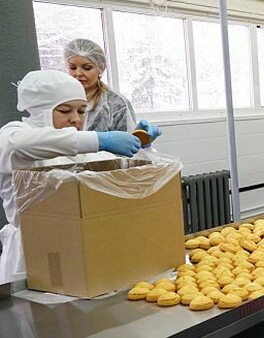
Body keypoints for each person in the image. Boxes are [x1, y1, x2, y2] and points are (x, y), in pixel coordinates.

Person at [1, 70, 160, 284]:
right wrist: (99, 139)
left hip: (80, 245)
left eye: (82, 111)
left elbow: (123, 171)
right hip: (34, 250)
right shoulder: (15, 134)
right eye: (65, 110)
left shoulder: (81, 151)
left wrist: (141, 146)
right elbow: (17, 145)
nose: (76, 119)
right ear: (40, 110)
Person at [63, 39, 137, 132]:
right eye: (72, 68)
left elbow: (128, 138)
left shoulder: (116, 103)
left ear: (100, 69)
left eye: (87, 68)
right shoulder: (60, 99)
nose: (78, 73)